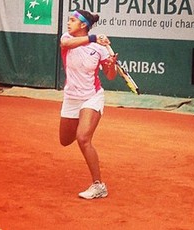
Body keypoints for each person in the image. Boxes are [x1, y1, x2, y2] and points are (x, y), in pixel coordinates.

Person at [59, 9, 118, 199]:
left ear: (83, 24)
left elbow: (110, 76)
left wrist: (110, 66)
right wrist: (92, 38)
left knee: (83, 138)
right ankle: (82, 124)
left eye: (72, 20)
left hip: (92, 96)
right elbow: (66, 43)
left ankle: (98, 185)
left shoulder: (100, 49)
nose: (68, 23)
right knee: (65, 140)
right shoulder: (67, 39)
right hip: (71, 97)